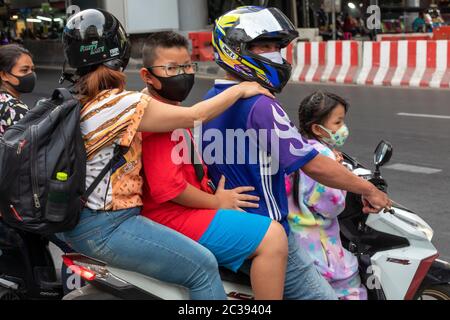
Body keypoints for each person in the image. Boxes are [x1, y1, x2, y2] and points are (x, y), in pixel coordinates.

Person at [58, 9, 273, 300]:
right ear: (122, 53)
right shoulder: (123, 104)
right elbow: (195, 115)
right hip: (108, 225)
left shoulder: (76, 99)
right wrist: (241, 89)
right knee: (202, 267)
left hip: (77, 221)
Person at [202, 6, 392, 300]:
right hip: (267, 233)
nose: (275, 55)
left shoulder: (211, 100)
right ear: (236, 49)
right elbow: (312, 165)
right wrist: (369, 189)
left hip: (228, 227)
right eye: (264, 46)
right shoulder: (260, 104)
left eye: (277, 47)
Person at [139, 31, 288, 300]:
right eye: (171, 68)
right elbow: (169, 189)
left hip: (178, 210)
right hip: (170, 214)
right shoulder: (158, 118)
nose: (182, 74)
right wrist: (217, 202)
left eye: (186, 66)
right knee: (273, 237)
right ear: (148, 76)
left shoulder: (167, 108)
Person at [287, 91, 368, 300]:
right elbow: (331, 205)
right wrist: (341, 179)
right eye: (338, 122)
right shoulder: (323, 157)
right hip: (319, 246)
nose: (342, 128)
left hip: (296, 238)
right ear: (317, 128)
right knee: (352, 292)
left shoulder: (297, 148)